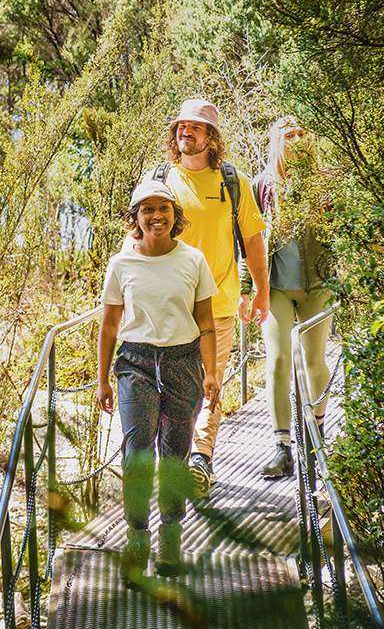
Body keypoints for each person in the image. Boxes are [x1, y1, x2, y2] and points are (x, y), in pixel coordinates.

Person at [139, 98, 269, 502]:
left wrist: (261, 290)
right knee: (171, 388)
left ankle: (200, 461)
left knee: (210, 385)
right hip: (166, 306)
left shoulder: (233, 183)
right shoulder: (161, 179)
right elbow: (139, 235)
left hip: (219, 303)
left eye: (195, 128)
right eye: (180, 126)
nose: (185, 133)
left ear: (211, 137)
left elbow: (252, 240)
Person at [97, 179, 221, 577]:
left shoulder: (193, 260)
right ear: (135, 217)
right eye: (147, 209)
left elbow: (205, 322)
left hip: (184, 362)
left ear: (175, 215)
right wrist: (102, 379)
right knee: (137, 453)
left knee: (175, 452)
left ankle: (170, 536)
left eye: (163, 208)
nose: (156, 216)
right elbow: (109, 326)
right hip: (135, 363)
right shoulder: (121, 264)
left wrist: (212, 373)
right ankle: (137, 537)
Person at [249, 115, 334, 479]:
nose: (297, 139)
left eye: (302, 133)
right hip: (276, 287)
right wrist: (246, 289)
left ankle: (316, 439)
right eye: (289, 135)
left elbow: (345, 231)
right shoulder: (261, 187)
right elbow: (247, 243)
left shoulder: (326, 183)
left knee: (314, 362)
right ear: (277, 143)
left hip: (318, 285)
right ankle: (282, 448)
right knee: (279, 360)